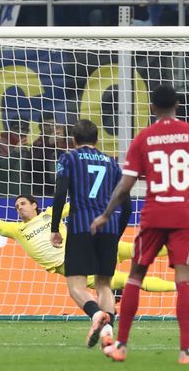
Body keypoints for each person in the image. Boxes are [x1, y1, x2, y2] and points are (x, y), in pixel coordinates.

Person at [91, 85, 189, 364]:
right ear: (178, 104)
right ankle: (186, 351)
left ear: (151, 108)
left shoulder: (144, 138)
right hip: (184, 216)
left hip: (154, 215)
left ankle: (122, 346)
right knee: (183, 281)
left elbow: (125, 186)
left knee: (135, 277)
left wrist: (105, 214)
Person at [0, 176, 189, 293]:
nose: (19, 208)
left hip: (86, 248)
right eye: (17, 207)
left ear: (34, 205)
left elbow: (78, 203)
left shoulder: (51, 214)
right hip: (76, 268)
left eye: (23, 204)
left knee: (138, 250)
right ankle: (182, 286)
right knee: (128, 281)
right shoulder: (16, 230)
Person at [49, 119, 131, 351]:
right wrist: (116, 234)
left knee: (76, 285)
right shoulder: (113, 165)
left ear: (74, 140)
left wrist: (55, 227)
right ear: (97, 139)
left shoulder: (69, 158)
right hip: (109, 228)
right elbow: (127, 207)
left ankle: (95, 314)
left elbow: (60, 192)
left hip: (81, 226)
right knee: (104, 285)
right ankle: (107, 334)